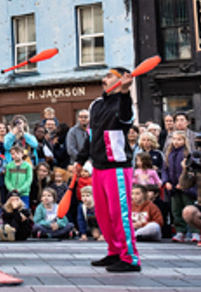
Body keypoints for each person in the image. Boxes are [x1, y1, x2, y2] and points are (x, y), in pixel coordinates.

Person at [74, 67, 140, 272]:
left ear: (122, 81)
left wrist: (126, 92)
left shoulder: (125, 103)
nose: (104, 79)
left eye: (110, 76)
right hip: (98, 167)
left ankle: (130, 258)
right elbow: (91, 135)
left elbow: (126, 118)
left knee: (119, 213)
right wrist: (80, 159)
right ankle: (114, 252)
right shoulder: (96, 104)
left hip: (117, 166)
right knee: (103, 214)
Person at [162, 131, 197, 243]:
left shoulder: (188, 154)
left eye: (179, 139)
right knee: (176, 210)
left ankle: (194, 231)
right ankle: (180, 231)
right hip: (173, 188)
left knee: (190, 208)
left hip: (187, 188)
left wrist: (185, 183)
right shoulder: (169, 154)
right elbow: (165, 170)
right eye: (174, 139)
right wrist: (166, 181)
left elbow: (192, 171)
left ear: (184, 141)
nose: (176, 142)